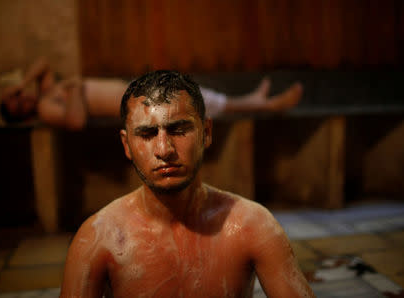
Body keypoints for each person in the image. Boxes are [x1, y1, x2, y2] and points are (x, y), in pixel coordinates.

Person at [60, 70, 315, 297]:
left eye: (178, 130)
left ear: (206, 133)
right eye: (147, 134)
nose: (164, 149)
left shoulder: (250, 225)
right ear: (127, 145)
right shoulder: (99, 238)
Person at [0, 58, 303, 130]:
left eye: (16, 96)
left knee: (195, 95)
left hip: (136, 90)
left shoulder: (44, 90)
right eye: (16, 104)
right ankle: (265, 105)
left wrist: (21, 83)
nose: (21, 99)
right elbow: (76, 121)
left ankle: (257, 101)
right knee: (193, 103)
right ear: (21, 114)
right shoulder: (46, 109)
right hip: (138, 106)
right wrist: (76, 88)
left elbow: (42, 64)